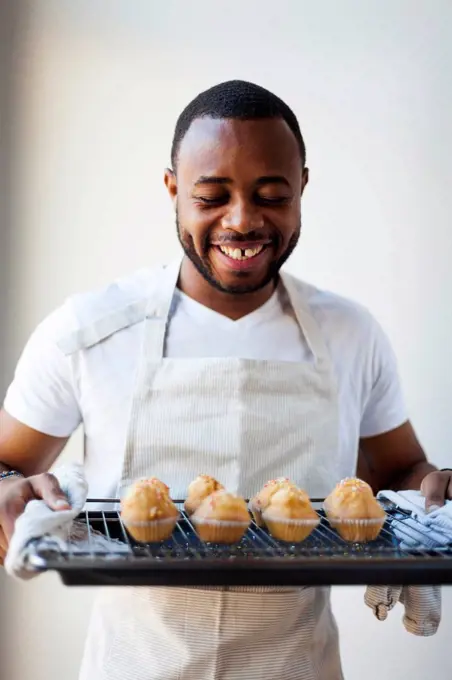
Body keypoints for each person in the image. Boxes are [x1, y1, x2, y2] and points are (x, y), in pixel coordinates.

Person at [0, 79, 450, 680]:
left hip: (300, 665)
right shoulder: (88, 330)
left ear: (303, 190)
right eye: (211, 195)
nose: (242, 221)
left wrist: (436, 495)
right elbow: (7, 465)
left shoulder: (351, 334)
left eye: (271, 195)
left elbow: (399, 475)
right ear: (172, 190)